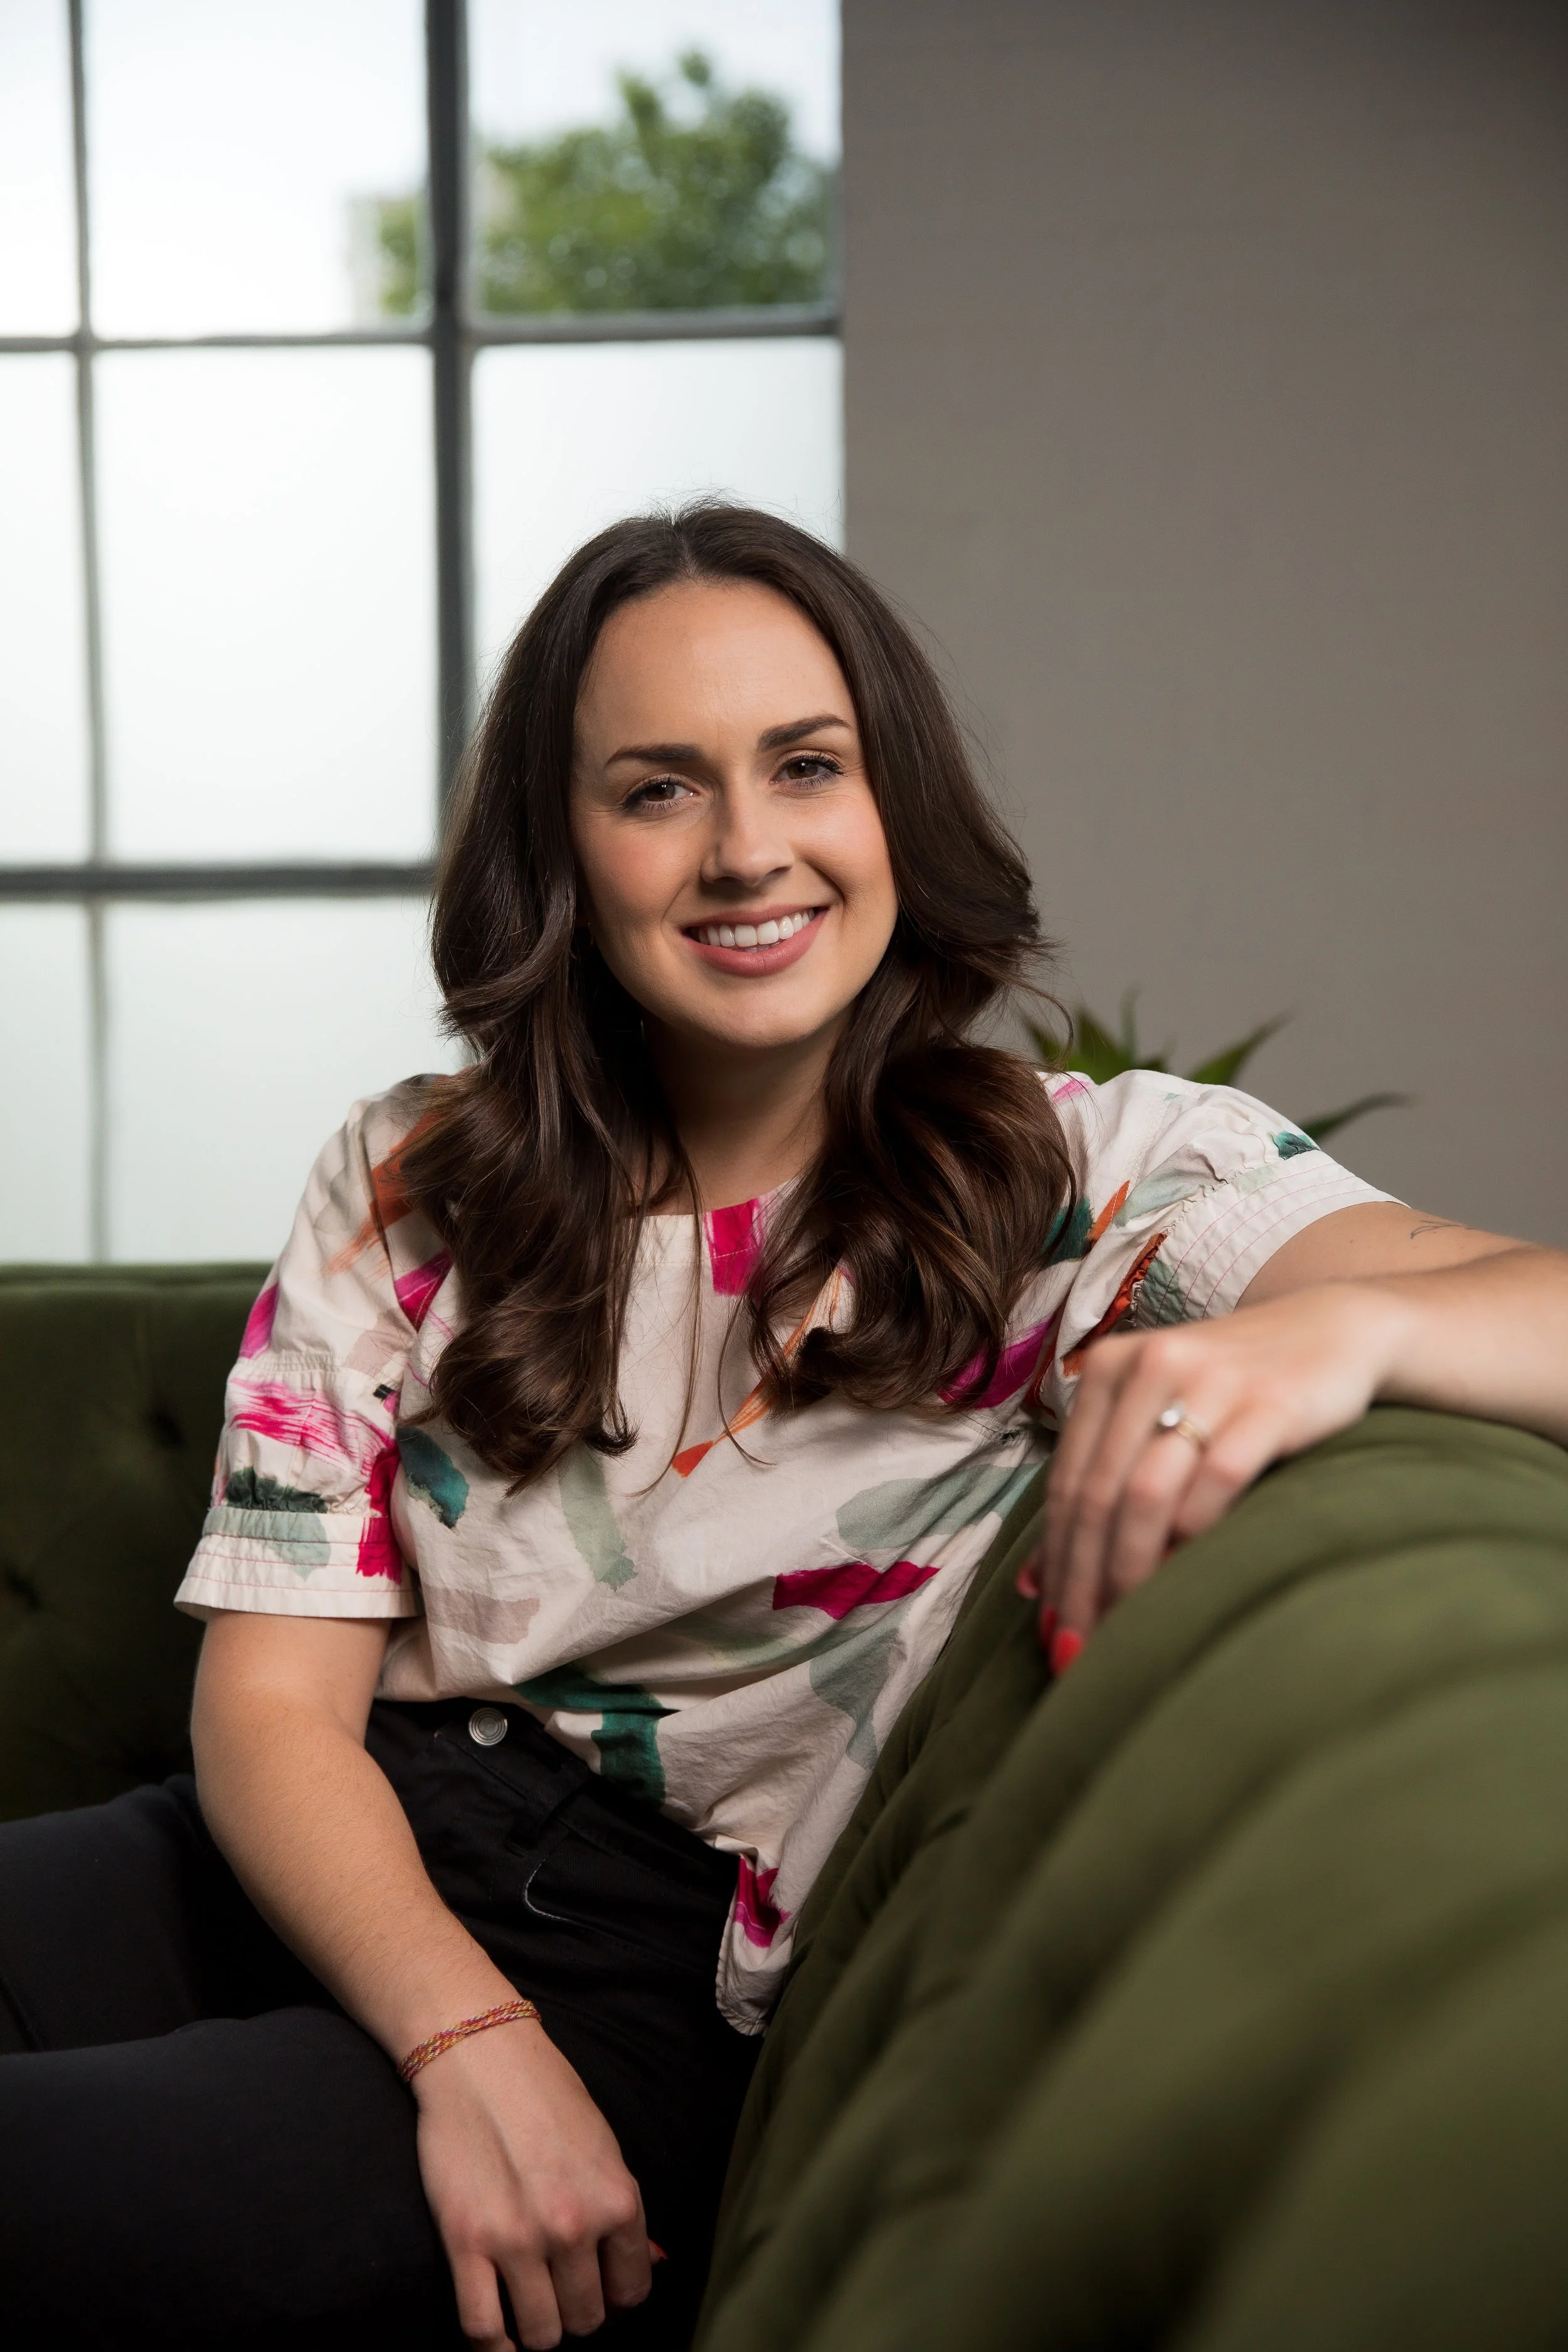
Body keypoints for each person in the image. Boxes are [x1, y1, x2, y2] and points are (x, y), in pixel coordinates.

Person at [1, 505, 1564, 2352]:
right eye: (657, 789)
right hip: (299, 1859)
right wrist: (457, 2028)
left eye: (805, 767)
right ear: (560, 847)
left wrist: (1348, 1330)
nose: (748, 849)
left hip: (629, 1994)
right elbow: (270, 1708)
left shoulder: (1087, 1178)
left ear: (894, 796)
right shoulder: (411, 1174)